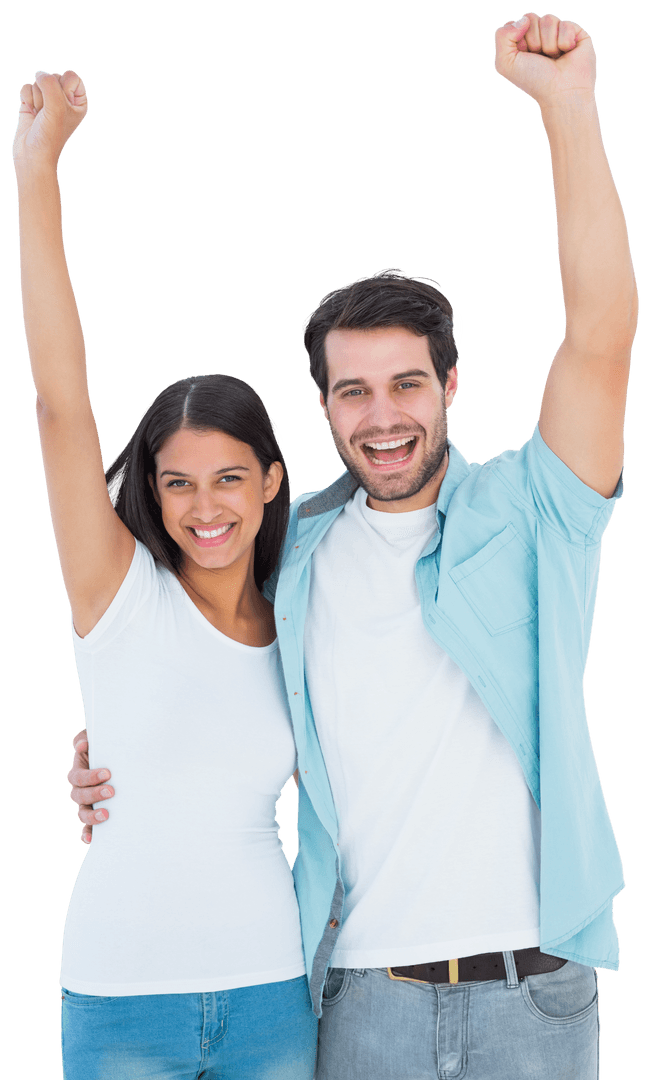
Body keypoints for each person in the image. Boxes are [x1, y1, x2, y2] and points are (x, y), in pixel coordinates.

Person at [67, 12, 638, 1079]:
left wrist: (568, 109)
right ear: (324, 409)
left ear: (451, 384)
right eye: (354, 391)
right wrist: (109, 758)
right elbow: (192, 675)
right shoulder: (295, 557)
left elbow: (602, 333)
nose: (385, 417)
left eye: (409, 383)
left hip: (537, 998)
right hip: (358, 1001)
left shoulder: (536, 513)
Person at [12, 71, 318, 1080]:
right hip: (121, 995)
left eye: (230, 477)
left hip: (274, 993)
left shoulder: (304, 618)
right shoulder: (120, 594)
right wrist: (35, 168)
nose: (204, 506)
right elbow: (62, 402)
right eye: (177, 482)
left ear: (272, 480)